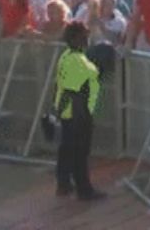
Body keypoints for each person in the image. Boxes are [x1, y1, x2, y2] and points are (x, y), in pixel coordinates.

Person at [54, 21, 105, 200]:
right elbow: (72, 90)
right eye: (84, 35)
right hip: (77, 113)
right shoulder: (76, 60)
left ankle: (64, 183)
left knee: (67, 149)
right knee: (79, 152)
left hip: (69, 112)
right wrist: (80, 115)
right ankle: (84, 189)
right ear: (76, 38)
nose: (87, 37)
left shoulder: (67, 55)